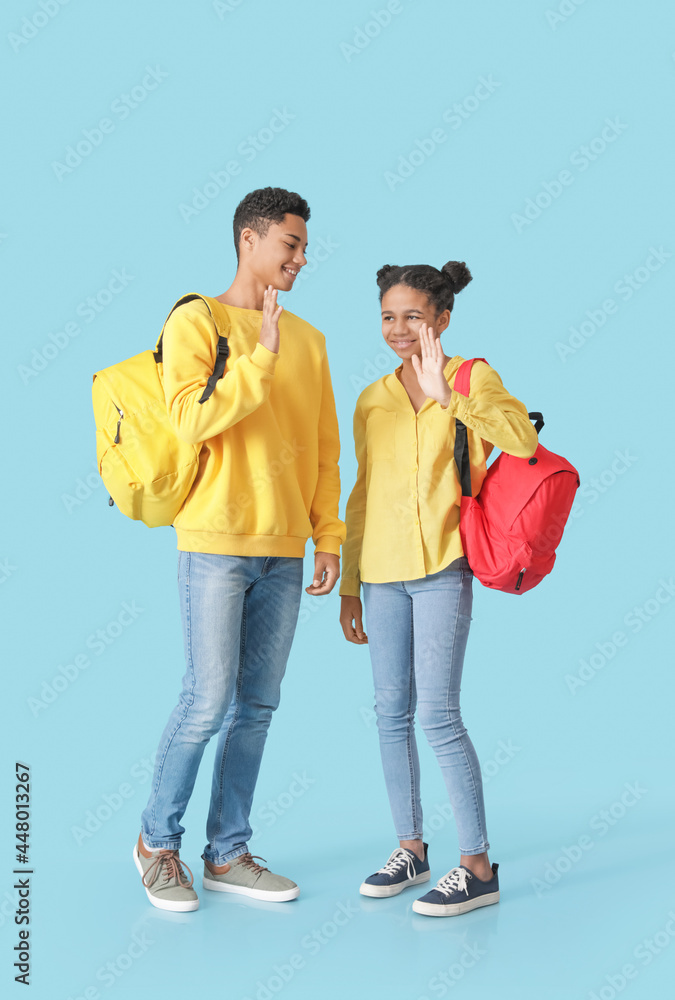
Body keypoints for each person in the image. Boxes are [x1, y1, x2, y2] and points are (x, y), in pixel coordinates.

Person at [135, 187, 346, 911]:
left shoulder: (311, 341)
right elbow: (192, 419)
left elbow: (324, 449)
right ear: (248, 239)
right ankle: (156, 843)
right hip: (216, 540)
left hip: (284, 550)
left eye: (304, 246)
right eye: (290, 243)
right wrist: (257, 356)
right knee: (206, 701)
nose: (300, 257)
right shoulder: (197, 320)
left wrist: (329, 536)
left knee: (257, 705)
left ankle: (227, 852)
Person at [339, 260, 538, 917]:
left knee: (437, 716)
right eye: (388, 317)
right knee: (387, 713)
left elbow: (522, 439)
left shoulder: (471, 376)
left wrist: (450, 397)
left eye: (413, 316)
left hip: (443, 566)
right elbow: (362, 491)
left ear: (442, 319)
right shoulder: (370, 398)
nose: (399, 329)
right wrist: (348, 584)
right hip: (380, 576)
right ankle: (410, 848)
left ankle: (476, 866)